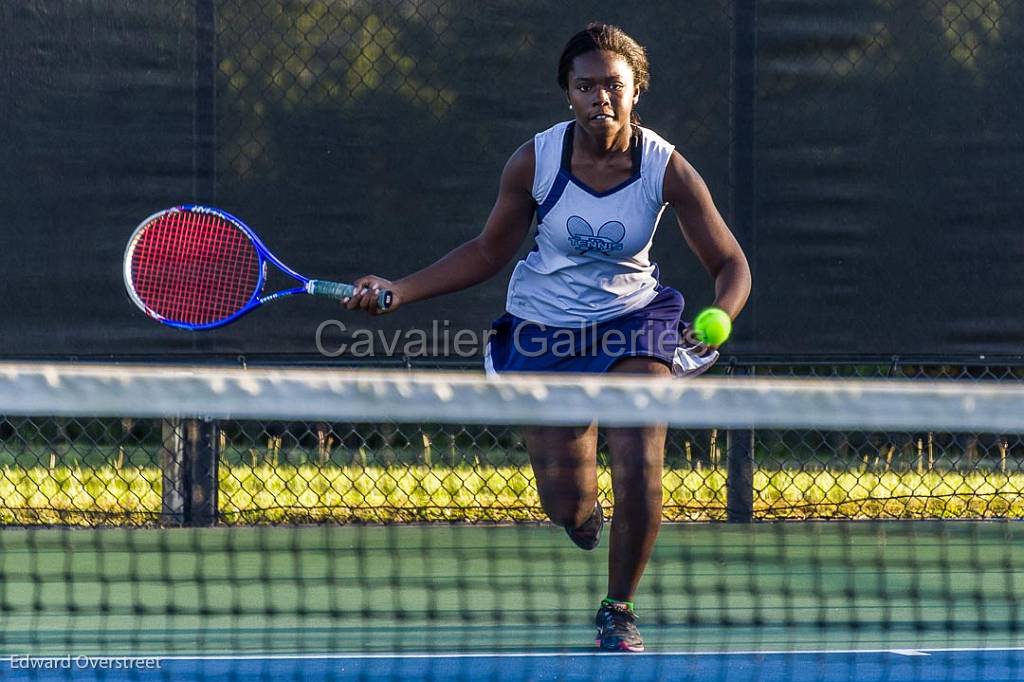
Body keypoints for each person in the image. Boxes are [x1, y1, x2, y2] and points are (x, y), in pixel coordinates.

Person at [344, 22, 751, 652]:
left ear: (635, 89)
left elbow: (732, 264)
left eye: (613, 85)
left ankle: (618, 607)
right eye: (585, 86)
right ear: (568, 93)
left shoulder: (665, 169)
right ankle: (583, 515)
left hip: (633, 322)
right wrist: (401, 288)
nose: (600, 99)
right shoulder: (535, 160)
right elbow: (486, 252)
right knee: (566, 503)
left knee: (641, 460)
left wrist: (719, 316)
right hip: (545, 329)